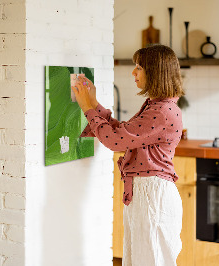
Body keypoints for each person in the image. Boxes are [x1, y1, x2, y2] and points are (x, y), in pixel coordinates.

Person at [72, 44, 184, 266]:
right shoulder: (157, 106)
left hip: (152, 197)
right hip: (147, 195)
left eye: (139, 67)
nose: (134, 73)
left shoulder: (161, 111)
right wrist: (93, 104)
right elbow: (123, 133)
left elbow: (115, 141)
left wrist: (87, 108)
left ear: (155, 72)